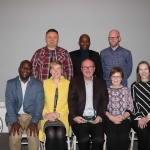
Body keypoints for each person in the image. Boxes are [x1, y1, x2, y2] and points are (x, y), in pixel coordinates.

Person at [68, 59, 108, 150]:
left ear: (94, 69)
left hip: (96, 118)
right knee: (84, 139)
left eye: (90, 67)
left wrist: (100, 116)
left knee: (99, 139)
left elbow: (104, 101)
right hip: (79, 118)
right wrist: (74, 116)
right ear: (81, 69)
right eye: (85, 67)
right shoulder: (74, 81)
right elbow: (71, 100)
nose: (88, 69)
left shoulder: (101, 82)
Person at [5, 60, 44, 150]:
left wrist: (34, 122)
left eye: (28, 68)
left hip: (32, 116)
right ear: (19, 68)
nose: (25, 70)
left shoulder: (38, 84)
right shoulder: (11, 83)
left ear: (31, 70)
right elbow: (9, 104)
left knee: (33, 136)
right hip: (16, 116)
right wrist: (14, 121)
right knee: (14, 137)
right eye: (23, 67)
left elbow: (39, 105)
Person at [39, 61, 72, 150]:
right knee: (50, 133)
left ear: (62, 70)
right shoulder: (44, 83)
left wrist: (58, 113)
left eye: (58, 68)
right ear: (50, 71)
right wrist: (45, 113)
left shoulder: (69, 84)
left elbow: (70, 103)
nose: (56, 71)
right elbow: (40, 102)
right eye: (53, 69)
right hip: (47, 117)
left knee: (60, 133)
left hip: (62, 117)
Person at [104, 67, 133, 150]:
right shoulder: (106, 91)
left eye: (118, 76)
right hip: (109, 119)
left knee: (123, 136)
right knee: (112, 136)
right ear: (110, 78)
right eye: (113, 76)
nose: (116, 78)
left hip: (124, 118)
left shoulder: (126, 90)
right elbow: (102, 107)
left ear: (122, 78)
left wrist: (123, 117)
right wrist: (111, 117)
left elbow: (130, 107)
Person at [131, 61, 150, 150]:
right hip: (138, 116)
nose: (143, 72)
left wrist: (148, 118)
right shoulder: (134, 85)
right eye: (141, 69)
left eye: (145, 69)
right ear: (138, 72)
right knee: (143, 133)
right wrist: (141, 118)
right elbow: (135, 103)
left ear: (149, 70)